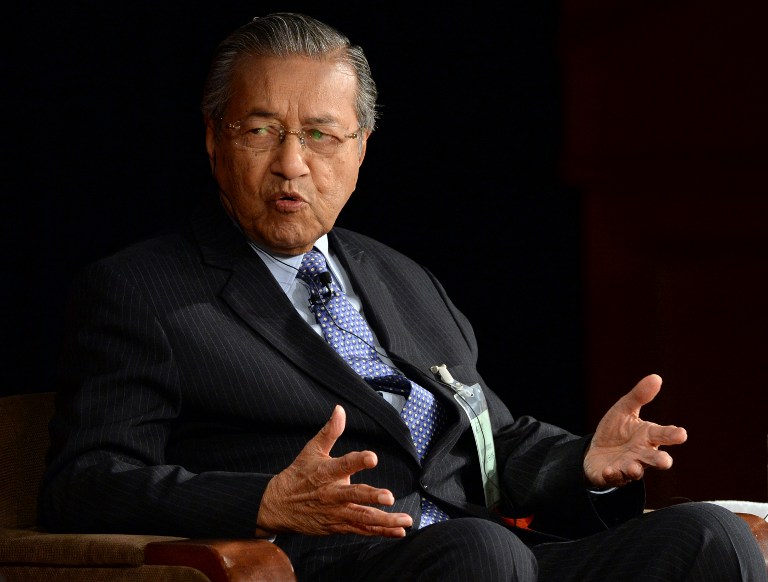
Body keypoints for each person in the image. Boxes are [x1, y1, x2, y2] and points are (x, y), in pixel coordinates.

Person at [40, 12, 766, 582]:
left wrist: (581, 460)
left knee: (708, 537)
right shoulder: (142, 290)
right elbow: (85, 482)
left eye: (321, 136)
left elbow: (487, 442)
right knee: (485, 553)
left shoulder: (400, 277)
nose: (291, 164)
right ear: (213, 141)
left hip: (487, 557)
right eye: (261, 130)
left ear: (360, 147)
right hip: (334, 565)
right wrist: (260, 502)